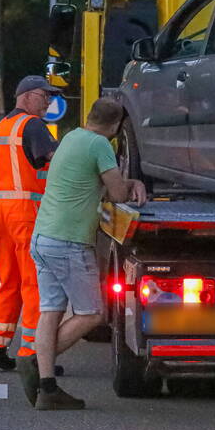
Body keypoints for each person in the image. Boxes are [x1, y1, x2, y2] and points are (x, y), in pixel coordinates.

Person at [22, 97, 146, 410]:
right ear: (116, 126)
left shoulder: (71, 138)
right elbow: (117, 193)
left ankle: (47, 387)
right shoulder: (99, 145)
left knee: (51, 310)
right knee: (92, 313)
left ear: (89, 116)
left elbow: (90, 186)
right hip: (69, 242)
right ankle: (36, 365)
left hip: (43, 236)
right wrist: (133, 181)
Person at [0, 76, 61, 372]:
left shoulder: (4, 125)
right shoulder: (33, 125)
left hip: (2, 212)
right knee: (35, 283)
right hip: (26, 211)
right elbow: (56, 159)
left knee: (10, 281)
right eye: (44, 96)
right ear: (26, 96)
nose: (48, 102)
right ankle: (32, 353)